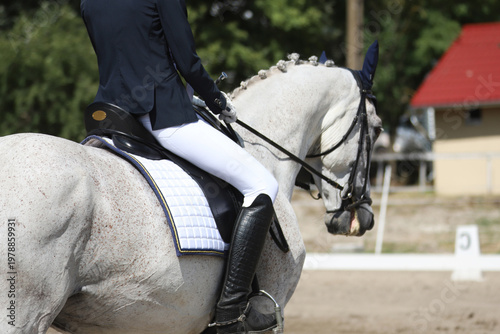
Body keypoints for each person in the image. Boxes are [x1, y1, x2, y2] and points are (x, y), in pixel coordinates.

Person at [80, 0, 279, 333]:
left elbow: (123, 55)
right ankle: (233, 310)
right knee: (261, 184)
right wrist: (217, 100)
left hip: (111, 116)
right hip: (162, 114)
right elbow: (186, 59)